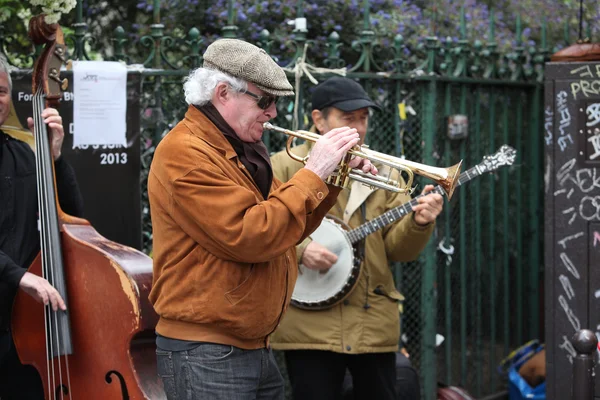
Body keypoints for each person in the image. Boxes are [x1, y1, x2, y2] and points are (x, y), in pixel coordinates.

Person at [147, 39, 376, 400]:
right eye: (265, 101)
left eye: (275, 103)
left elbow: (288, 225)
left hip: (250, 346)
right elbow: (252, 234)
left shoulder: (239, 147)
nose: (272, 114)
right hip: (207, 351)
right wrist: (314, 171)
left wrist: (333, 177)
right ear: (223, 93)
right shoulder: (185, 152)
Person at [270, 76, 444, 400]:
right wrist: (301, 250)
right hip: (309, 324)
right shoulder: (283, 166)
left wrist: (419, 222)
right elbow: (265, 225)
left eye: (363, 118)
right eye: (348, 119)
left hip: (372, 321)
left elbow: (398, 250)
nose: (359, 128)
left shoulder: (386, 172)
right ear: (318, 120)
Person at [0, 56, 84, 399]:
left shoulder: (22, 155)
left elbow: (72, 220)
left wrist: (53, 157)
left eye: (2, 91)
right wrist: (18, 275)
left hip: (25, 332)